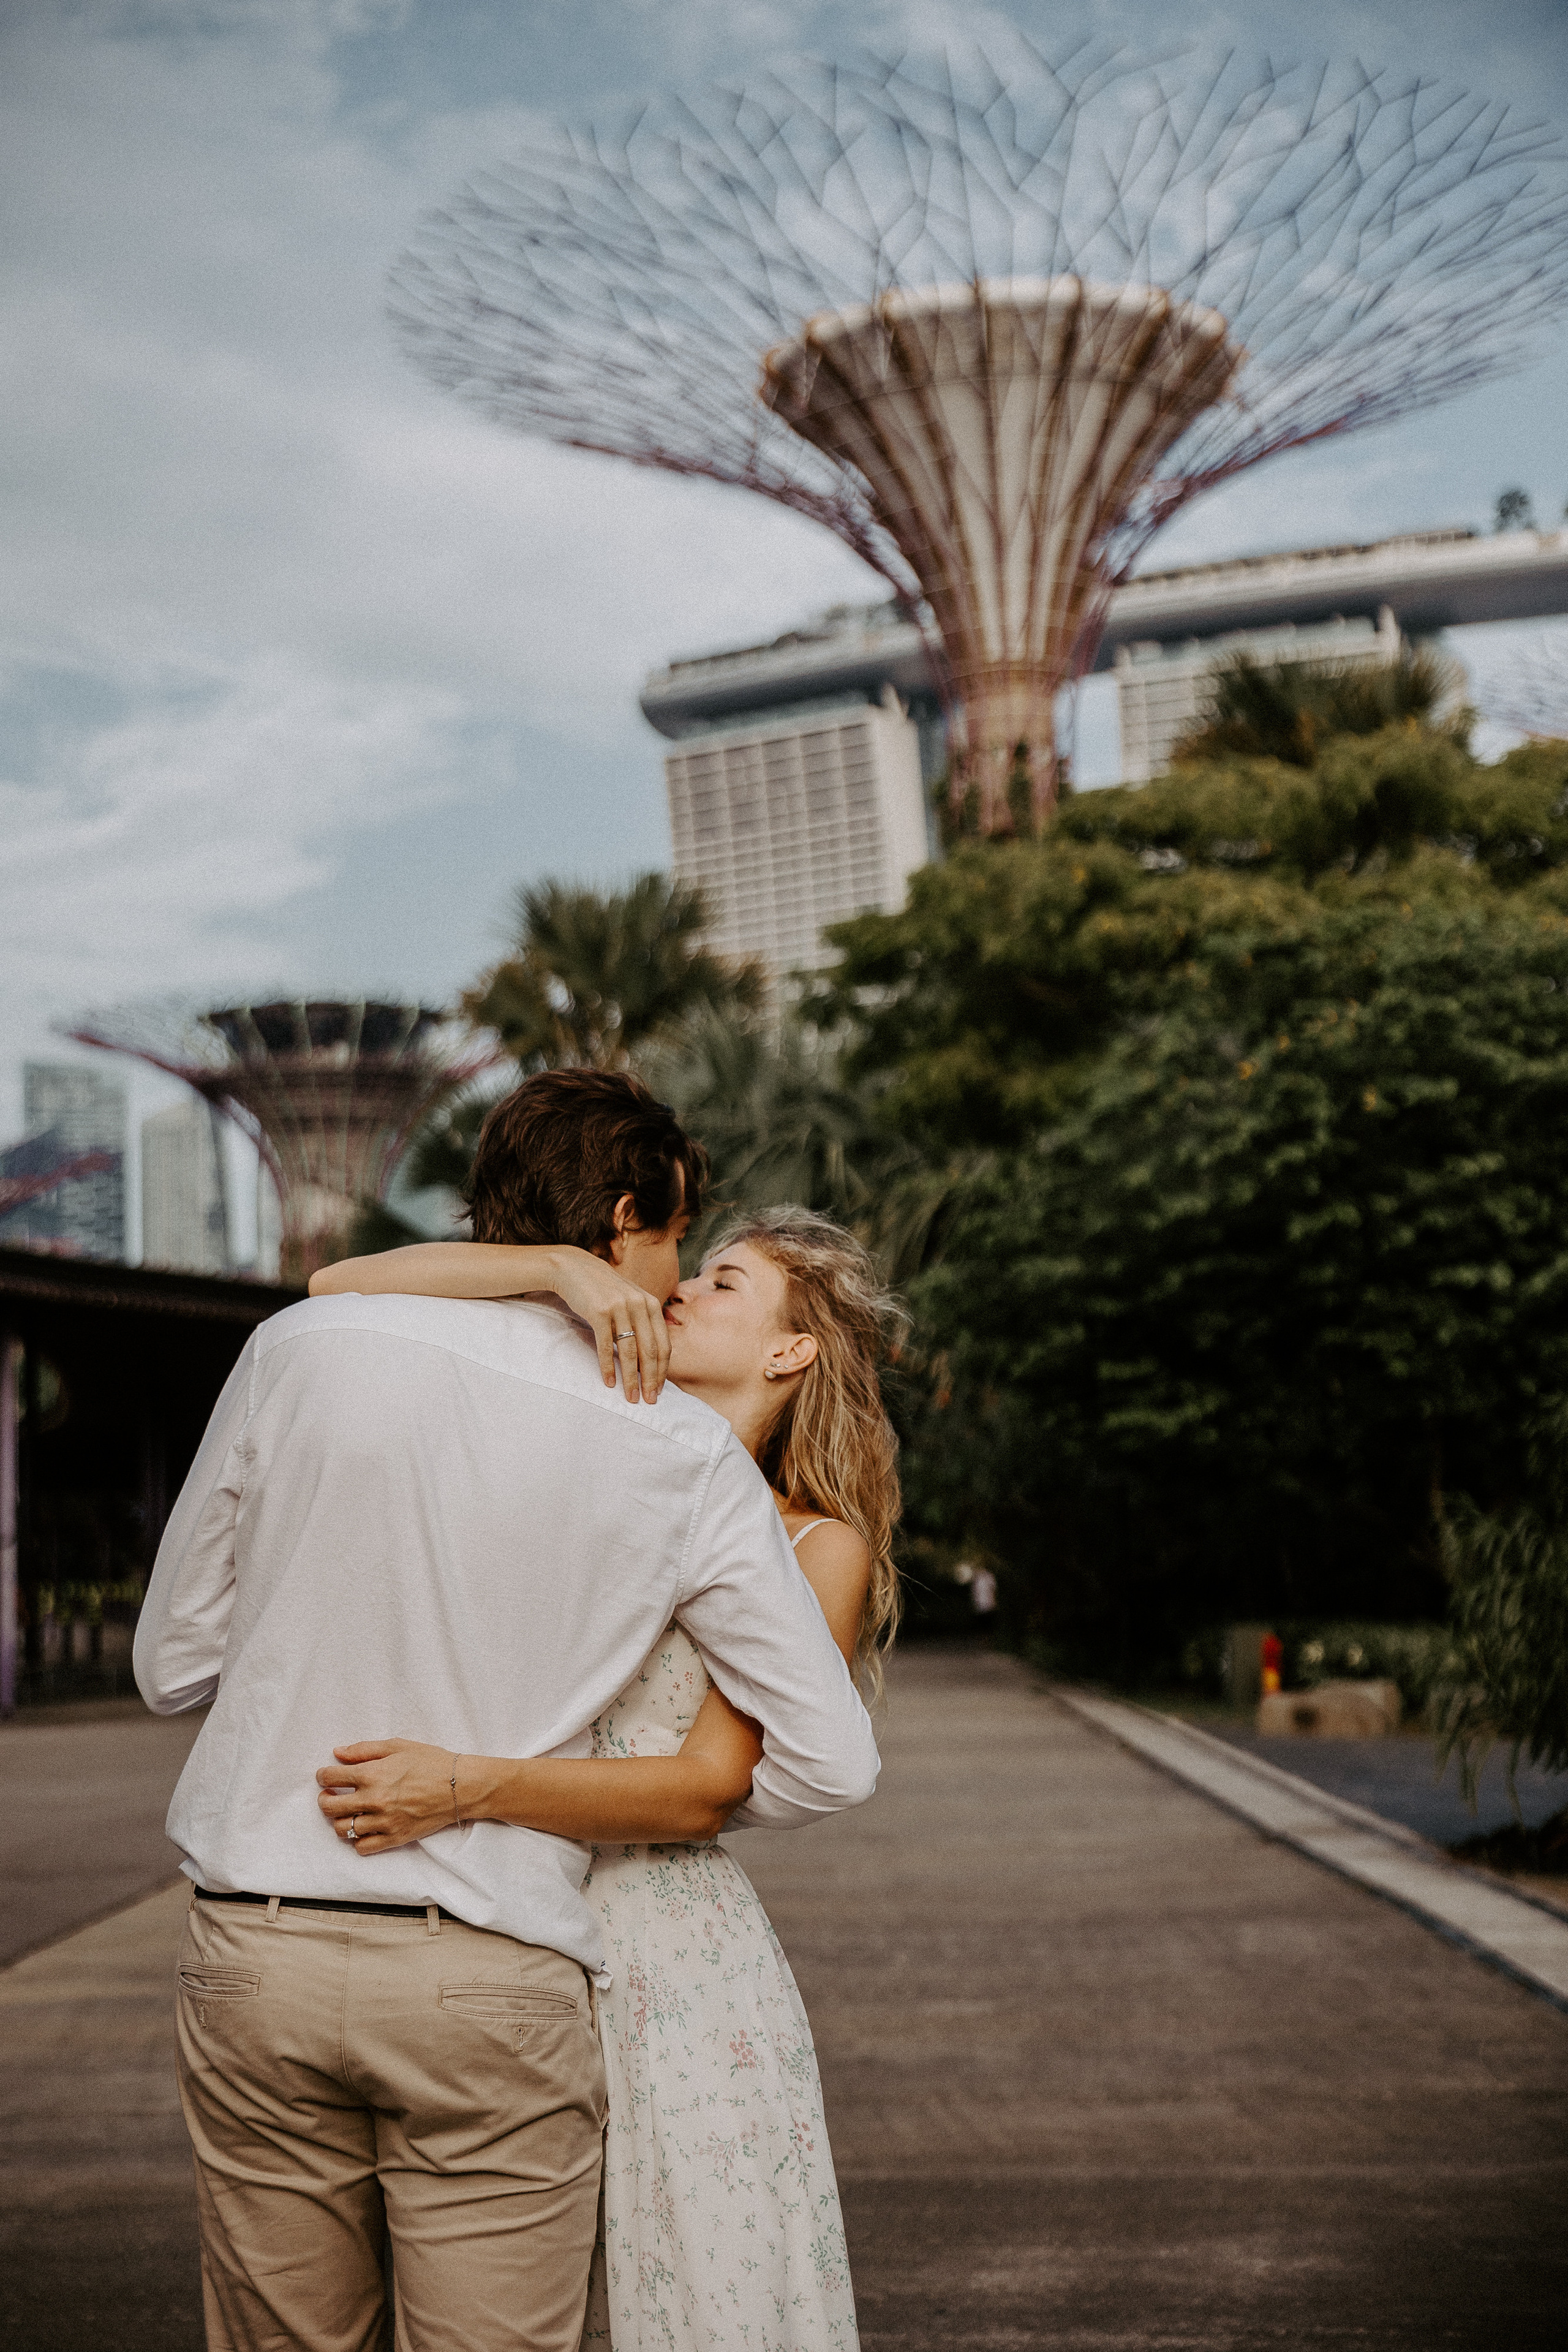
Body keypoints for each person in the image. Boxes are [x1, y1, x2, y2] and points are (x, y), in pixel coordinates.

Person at [134, 1071, 879, 2352]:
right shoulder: (672, 1449)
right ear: (631, 1219)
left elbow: (171, 1664)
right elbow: (822, 1765)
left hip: (256, 1948)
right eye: (675, 1248)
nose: (673, 1283)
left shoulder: (297, 1350)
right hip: (491, 1962)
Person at [308, 1202, 903, 2351]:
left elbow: (707, 1786)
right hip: (497, 1922)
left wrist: (465, 1786)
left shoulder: (812, 1542)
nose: (685, 1290)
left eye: (726, 1283)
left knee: (681, 2292)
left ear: (793, 1350)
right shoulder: (590, 1446)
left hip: (669, 1962)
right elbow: (342, 1282)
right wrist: (558, 1272)